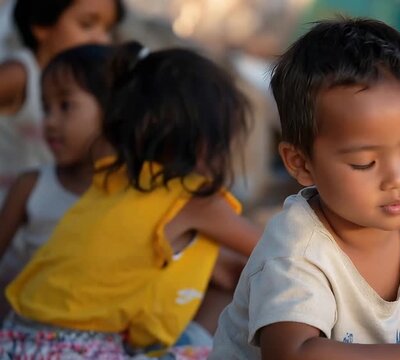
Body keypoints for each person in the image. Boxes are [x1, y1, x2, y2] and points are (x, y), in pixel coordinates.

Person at [212, 18, 400, 360]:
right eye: (364, 163)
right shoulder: (296, 250)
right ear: (300, 163)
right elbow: (293, 353)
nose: (396, 179)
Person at [0, 42, 261, 358]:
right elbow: (278, 247)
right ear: (207, 141)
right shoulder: (194, 196)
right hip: (74, 349)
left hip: (16, 337)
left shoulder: (113, 174)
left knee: (227, 276)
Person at [0, 43, 113, 317]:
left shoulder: (134, 194)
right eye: (45, 108)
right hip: (29, 329)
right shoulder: (32, 185)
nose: (49, 121)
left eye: (65, 106)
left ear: (113, 110)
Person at [0, 0, 125, 201]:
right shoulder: (21, 74)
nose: (101, 39)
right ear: (42, 25)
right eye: (86, 25)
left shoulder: (89, 88)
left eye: (108, 29)